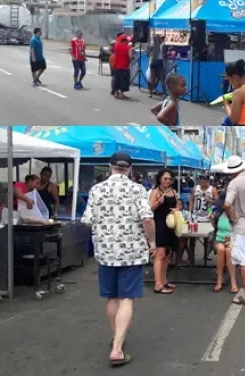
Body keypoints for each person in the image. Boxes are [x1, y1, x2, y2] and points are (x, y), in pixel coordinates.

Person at [80, 152, 156, 368]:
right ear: (130, 169)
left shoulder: (96, 190)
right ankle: (117, 349)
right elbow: (147, 219)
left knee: (111, 298)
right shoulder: (137, 189)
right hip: (131, 251)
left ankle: (117, 340)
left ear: (110, 166)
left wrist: (105, 230)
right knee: (126, 299)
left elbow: (87, 221)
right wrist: (152, 242)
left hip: (105, 252)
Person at [223, 156, 245, 306]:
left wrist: (232, 219)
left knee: (244, 261)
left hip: (241, 225)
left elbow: (227, 204)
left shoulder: (234, 183)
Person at [150, 168, 182, 294]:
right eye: (165, 178)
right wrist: (158, 202)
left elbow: (178, 205)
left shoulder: (173, 191)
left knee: (167, 254)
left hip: (171, 224)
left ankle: (164, 280)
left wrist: (177, 209)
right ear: (160, 179)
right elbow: (150, 208)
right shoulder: (156, 191)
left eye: (170, 179)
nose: (167, 181)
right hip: (159, 225)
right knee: (160, 254)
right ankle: (158, 284)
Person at [211, 189, 238, 294]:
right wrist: (211, 218)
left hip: (233, 239)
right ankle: (219, 280)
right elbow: (214, 228)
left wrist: (231, 240)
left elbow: (238, 231)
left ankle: (233, 281)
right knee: (221, 249)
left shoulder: (236, 214)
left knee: (228, 251)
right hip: (219, 239)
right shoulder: (218, 214)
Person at [222, 59, 245, 126]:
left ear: (234, 77)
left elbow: (234, 120)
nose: (230, 83)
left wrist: (226, 104)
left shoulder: (238, 92)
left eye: (229, 79)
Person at [111, 33, 134, 99]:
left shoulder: (116, 46)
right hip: (124, 67)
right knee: (124, 81)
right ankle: (121, 94)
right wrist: (132, 51)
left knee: (117, 79)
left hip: (116, 66)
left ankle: (116, 93)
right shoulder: (127, 47)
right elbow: (131, 57)